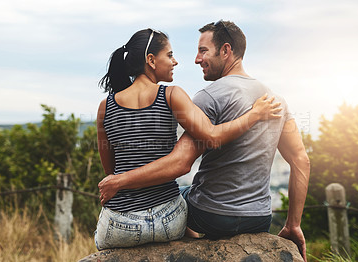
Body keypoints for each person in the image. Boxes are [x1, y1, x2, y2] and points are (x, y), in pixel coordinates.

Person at [98, 22, 310, 261]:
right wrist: (293, 224)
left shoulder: (208, 97)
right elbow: (301, 160)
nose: (196, 59)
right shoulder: (276, 99)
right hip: (259, 217)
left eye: (203, 51)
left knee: (179, 194)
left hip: (211, 216)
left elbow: (180, 162)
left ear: (226, 50)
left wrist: (119, 181)